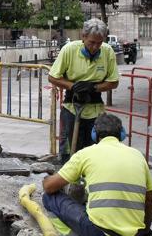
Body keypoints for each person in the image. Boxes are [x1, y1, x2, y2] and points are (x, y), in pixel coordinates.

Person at [42, 113, 152, 236]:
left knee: (49, 198)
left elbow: (49, 187)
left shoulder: (85, 154)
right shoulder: (138, 156)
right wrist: (146, 231)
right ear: (122, 133)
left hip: (99, 235)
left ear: (94, 133)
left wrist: (46, 179)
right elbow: (150, 202)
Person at [48, 18, 119, 163]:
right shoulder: (70, 50)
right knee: (70, 151)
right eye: (92, 42)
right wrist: (72, 86)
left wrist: (94, 87)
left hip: (95, 110)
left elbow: (113, 82)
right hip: (72, 108)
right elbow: (53, 77)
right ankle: (68, 179)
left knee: (94, 151)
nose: (95, 47)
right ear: (83, 36)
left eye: (99, 43)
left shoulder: (107, 51)